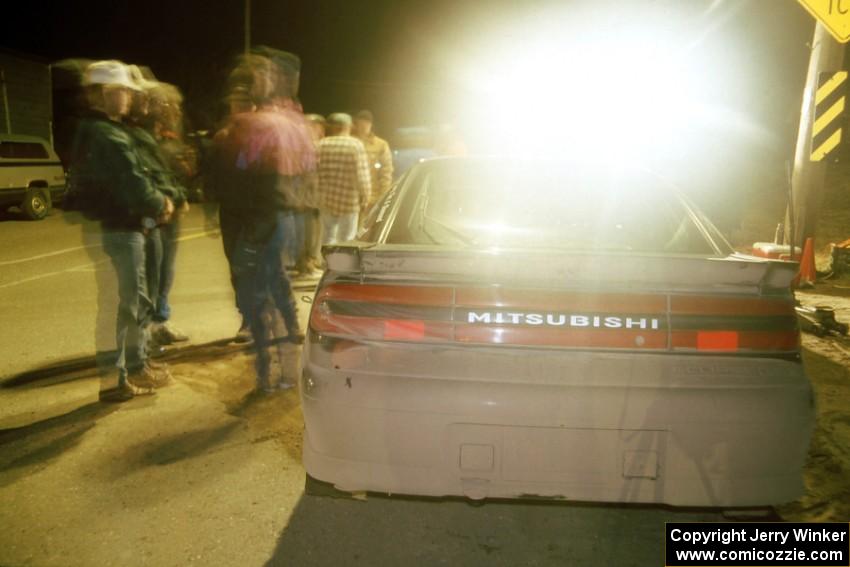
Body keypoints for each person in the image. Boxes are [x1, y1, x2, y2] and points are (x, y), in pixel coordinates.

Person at [70, 60, 173, 401]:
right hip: (118, 228)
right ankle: (115, 382)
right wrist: (161, 203)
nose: (128, 97)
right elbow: (133, 183)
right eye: (122, 91)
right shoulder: (106, 134)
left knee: (132, 302)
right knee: (122, 306)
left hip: (122, 227)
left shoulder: (107, 130)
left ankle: (136, 365)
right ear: (102, 94)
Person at [213, 52, 314, 392]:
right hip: (276, 216)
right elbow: (302, 169)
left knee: (261, 292)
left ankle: (270, 373)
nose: (256, 80)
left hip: (263, 218)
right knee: (273, 288)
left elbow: (249, 176)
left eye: (261, 74)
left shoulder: (262, 124)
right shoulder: (290, 119)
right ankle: (282, 370)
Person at [317, 113, 371, 245]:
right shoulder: (355, 145)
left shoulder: (321, 144)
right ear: (348, 126)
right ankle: (342, 264)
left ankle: (327, 262)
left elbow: (314, 172)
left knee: (327, 235)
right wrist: (366, 196)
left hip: (325, 199)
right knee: (347, 238)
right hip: (349, 200)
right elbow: (362, 175)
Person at [352, 110, 393, 208]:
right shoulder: (350, 142)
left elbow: (386, 171)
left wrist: (384, 196)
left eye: (366, 123)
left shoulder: (381, 145)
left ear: (371, 124)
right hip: (352, 198)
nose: (363, 126)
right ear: (356, 124)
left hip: (373, 198)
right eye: (361, 123)